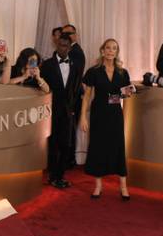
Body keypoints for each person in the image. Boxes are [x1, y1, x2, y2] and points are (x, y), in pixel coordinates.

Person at [80, 38, 133, 200]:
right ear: (102, 51)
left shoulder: (122, 72)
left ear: (117, 52)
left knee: (118, 146)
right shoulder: (93, 71)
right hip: (98, 113)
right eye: (108, 48)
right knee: (98, 147)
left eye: (114, 48)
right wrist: (83, 116)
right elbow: (87, 95)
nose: (111, 51)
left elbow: (125, 95)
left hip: (115, 114)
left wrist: (129, 92)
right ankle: (98, 186)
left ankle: (123, 186)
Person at [41, 33, 83, 189]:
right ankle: (52, 176)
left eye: (66, 46)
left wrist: (73, 109)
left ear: (70, 47)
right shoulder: (46, 65)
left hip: (68, 112)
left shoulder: (76, 65)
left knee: (66, 145)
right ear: (56, 45)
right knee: (53, 144)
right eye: (60, 45)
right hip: (50, 112)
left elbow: (77, 88)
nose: (63, 48)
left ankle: (60, 175)